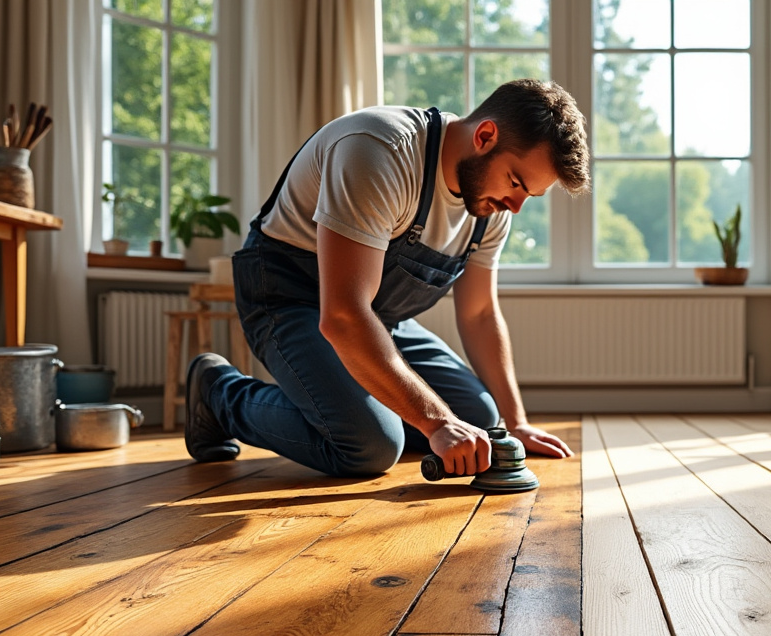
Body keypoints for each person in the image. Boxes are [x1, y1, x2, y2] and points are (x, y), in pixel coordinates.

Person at [184, 79, 590, 478]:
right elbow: (343, 315)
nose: (514, 207)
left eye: (528, 196)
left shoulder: (491, 207)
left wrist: (515, 422)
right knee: (371, 444)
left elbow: (481, 314)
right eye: (515, 182)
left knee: (482, 419)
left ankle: (358, 411)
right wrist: (436, 423)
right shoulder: (379, 150)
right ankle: (219, 393)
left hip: (374, 317)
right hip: (288, 295)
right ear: (485, 135)